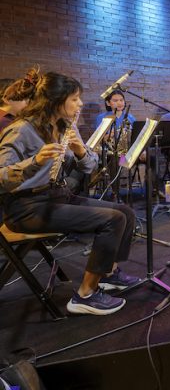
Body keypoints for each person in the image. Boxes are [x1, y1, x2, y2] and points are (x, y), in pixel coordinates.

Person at [0, 71, 140, 315]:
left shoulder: (64, 126)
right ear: (56, 100)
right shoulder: (21, 130)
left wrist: (79, 150)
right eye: (75, 99)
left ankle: (107, 274)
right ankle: (85, 295)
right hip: (27, 207)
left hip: (57, 196)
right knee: (112, 219)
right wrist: (34, 161)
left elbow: (90, 167)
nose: (80, 104)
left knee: (125, 212)